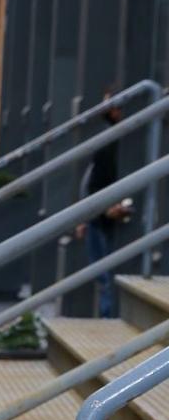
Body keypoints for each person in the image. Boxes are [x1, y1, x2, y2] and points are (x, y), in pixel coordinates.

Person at [75, 93, 131, 319]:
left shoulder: (113, 141)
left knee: (106, 276)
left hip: (103, 215)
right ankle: (108, 319)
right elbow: (91, 180)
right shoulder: (108, 141)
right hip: (100, 215)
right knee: (104, 276)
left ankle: (109, 320)